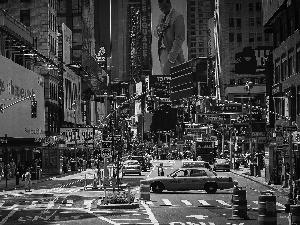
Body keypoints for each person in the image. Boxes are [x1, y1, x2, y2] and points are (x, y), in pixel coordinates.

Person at [154, 0, 185, 75]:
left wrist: (171, 58)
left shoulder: (177, 17)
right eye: (161, 8)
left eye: (164, 7)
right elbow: (155, 34)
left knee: (173, 78)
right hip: (162, 52)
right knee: (165, 77)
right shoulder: (161, 17)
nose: (163, 10)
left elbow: (179, 38)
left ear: (169, 4)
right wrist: (159, 29)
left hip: (171, 52)